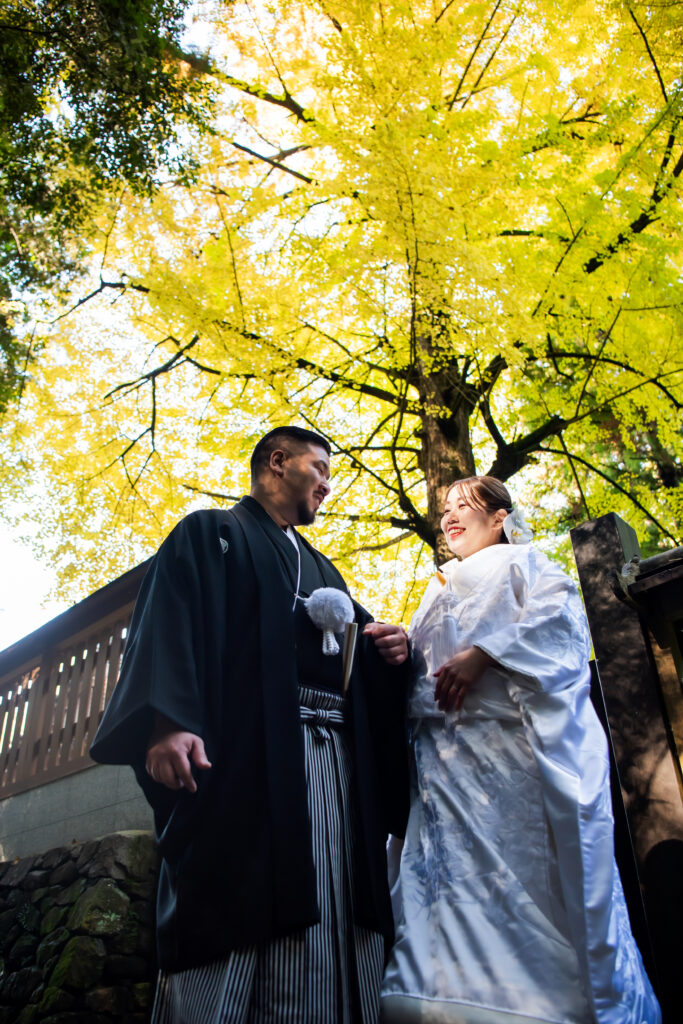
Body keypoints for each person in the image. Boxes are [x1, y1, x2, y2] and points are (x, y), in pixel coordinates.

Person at [90, 425, 410, 1024]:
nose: (327, 485)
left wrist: (388, 648)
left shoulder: (324, 569)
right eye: (320, 469)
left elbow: (355, 649)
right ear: (278, 461)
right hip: (245, 758)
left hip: (334, 765)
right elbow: (171, 622)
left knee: (336, 889)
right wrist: (169, 720)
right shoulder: (212, 534)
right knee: (240, 888)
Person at [381, 476, 661, 1024]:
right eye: (445, 507)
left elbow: (560, 627)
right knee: (447, 875)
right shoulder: (436, 589)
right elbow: (422, 668)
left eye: (465, 504)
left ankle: (543, 1000)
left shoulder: (527, 564)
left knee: (521, 872)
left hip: (509, 754)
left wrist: (485, 653)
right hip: (442, 764)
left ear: (500, 518)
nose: (450, 515)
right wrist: (399, 649)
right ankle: (439, 988)